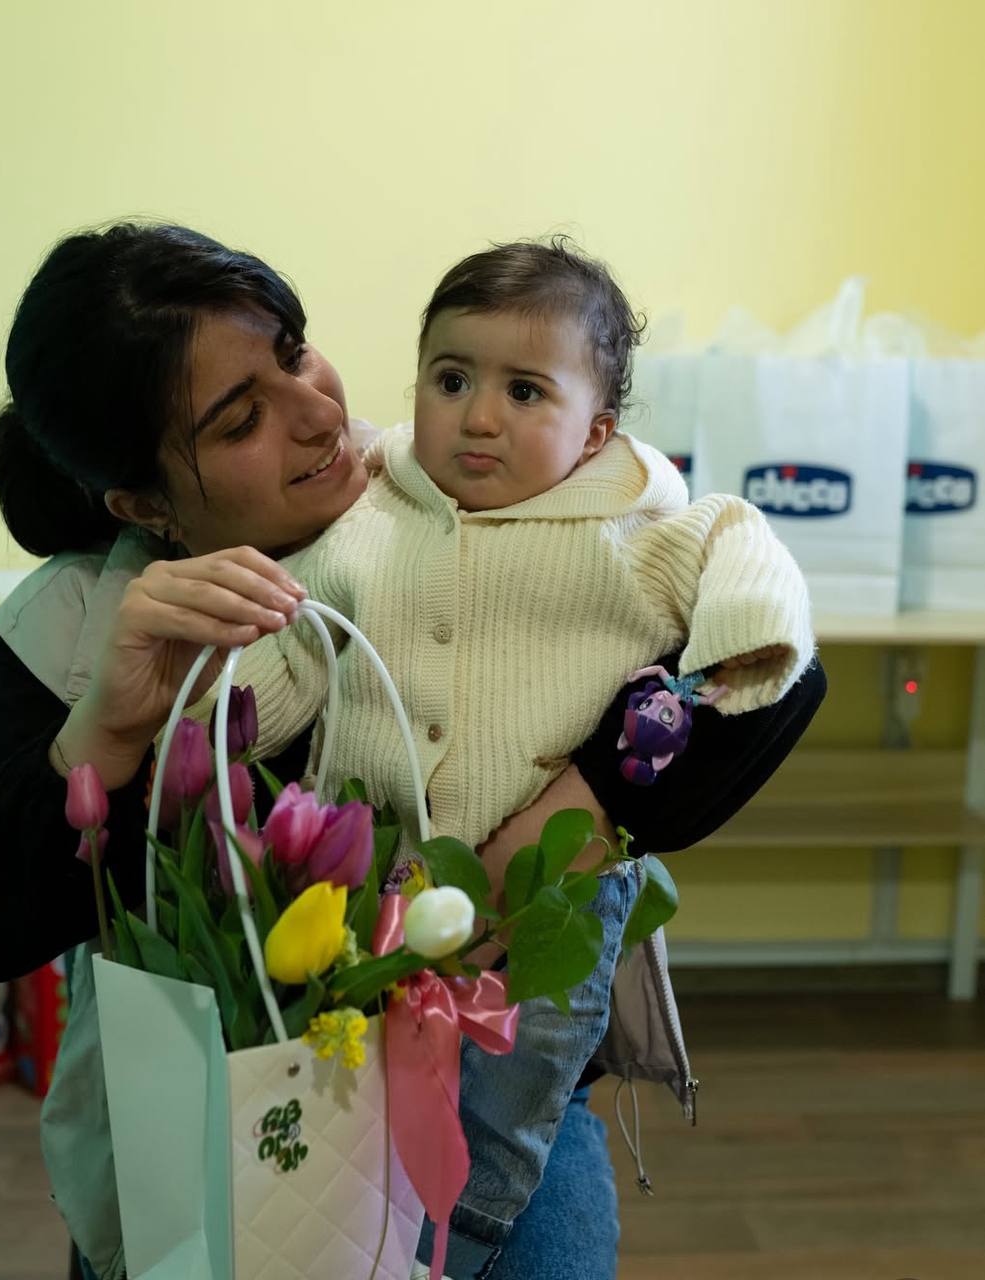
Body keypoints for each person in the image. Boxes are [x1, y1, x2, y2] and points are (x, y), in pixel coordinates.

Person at [0, 223, 826, 1280]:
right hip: (217, 1110)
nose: (316, 412)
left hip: (498, 1078)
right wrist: (113, 731)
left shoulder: (451, 491)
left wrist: (566, 814)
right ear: (143, 504)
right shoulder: (82, 622)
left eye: (294, 351)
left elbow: (769, 678)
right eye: (241, 418)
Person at [190, 239, 815, 1277]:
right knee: (367, 1087)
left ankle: (465, 1240)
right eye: (451, 379)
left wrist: (743, 639)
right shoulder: (368, 518)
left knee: (508, 1100)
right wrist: (214, 723)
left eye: (524, 391)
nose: (478, 417)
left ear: (594, 430)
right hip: (377, 891)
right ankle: (387, 1228)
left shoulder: (636, 527)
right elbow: (299, 647)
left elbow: (742, 550)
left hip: (554, 898)